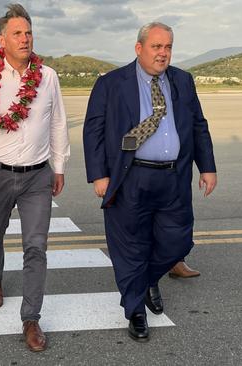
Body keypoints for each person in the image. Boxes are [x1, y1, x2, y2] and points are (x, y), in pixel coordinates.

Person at [83, 22, 216, 342]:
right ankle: (136, 311)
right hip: (130, 176)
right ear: (139, 48)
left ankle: (144, 281)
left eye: (168, 47)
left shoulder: (183, 80)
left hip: (174, 175)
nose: (163, 53)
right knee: (130, 245)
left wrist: (207, 167)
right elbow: (94, 130)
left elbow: (198, 125)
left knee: (178, 241)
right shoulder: (112, 83)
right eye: (156, 46)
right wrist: (99, 175)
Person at [0, 3, 70, 352]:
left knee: (35, 247)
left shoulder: (48, 77)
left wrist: (59, 166)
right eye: (17, 33)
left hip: (37, 177)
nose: (25, 39)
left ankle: (31, 318)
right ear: (1, 39)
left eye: (28, 33)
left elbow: (57, 122)